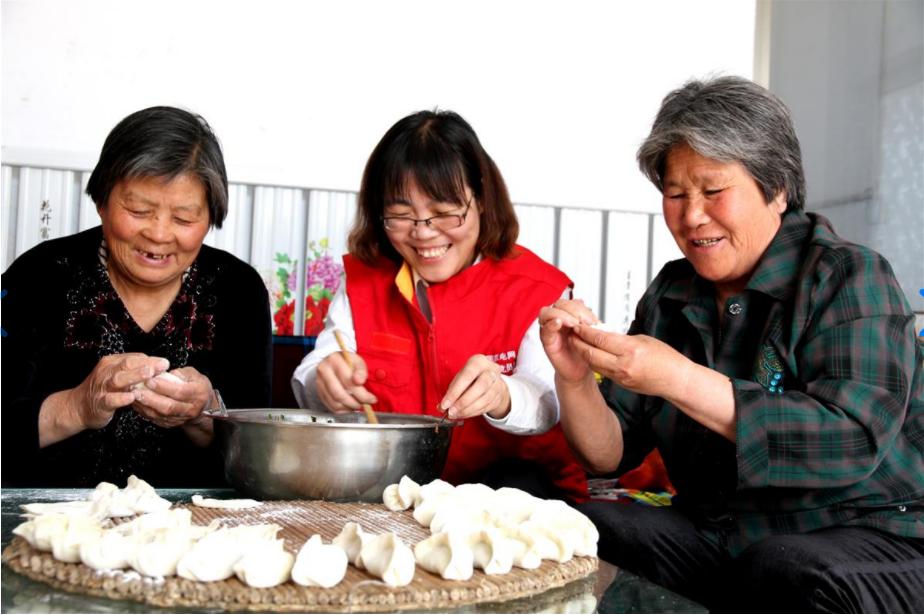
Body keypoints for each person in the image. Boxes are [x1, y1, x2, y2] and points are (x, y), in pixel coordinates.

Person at [540, 76, 924, 612]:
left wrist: (676, 376)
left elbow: (853, 439)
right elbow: (609, 454)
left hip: (869, 533)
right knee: (583, 531)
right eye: (676, 194)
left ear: (778, 188)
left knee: (785, 571)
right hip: (725, 536)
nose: (692, 215)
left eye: (712, 190)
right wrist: (574, 377)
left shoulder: (847, 274)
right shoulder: (673, 291)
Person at [292, 110, 587, 502]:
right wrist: (323, 382)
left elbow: (548, 402)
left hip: (515, 498)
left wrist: (503, 396)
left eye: (445, 211)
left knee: (517, 482)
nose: (424, 233)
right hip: (391, 492)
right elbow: (318, 366)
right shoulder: (363, 281)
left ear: (481, 199)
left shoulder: (539, 289)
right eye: (401, 215)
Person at [1, 106, 272, 488]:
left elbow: (262, 454)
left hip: (195, 529)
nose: (160, 234)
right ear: (102, 202)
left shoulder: (237, 290)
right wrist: (78, 405)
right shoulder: (40, 277)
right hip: (52, 524)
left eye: (183, 219)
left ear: (210, 218)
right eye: (139, 210)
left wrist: (204, 412)